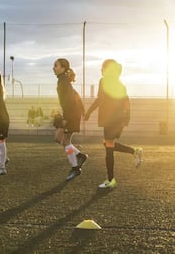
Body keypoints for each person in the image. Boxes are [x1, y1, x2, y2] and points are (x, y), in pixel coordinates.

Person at [84, 59, 143, 189]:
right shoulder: (117, 84)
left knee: (109, 146)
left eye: (102, 68)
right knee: (107, 144)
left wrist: (88, 112)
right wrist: (126, 120)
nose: (101, 71)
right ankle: (134, 151)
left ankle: (111, 179)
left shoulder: (108, 82)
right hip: (115, 119)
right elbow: (125, 102)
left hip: (112, 119)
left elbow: (105, 100)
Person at [53, 58, 88, 180]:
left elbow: (69, 101)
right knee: (59, 139)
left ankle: (75, 169)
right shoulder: (62, 81)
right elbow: (74, 97)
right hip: (70, 113)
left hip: (71, 114)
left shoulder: (64, 82)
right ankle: (80, 155)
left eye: (56, 66)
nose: (54, 68)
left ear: (63, 68)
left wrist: (66, 118)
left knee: (66, 141)